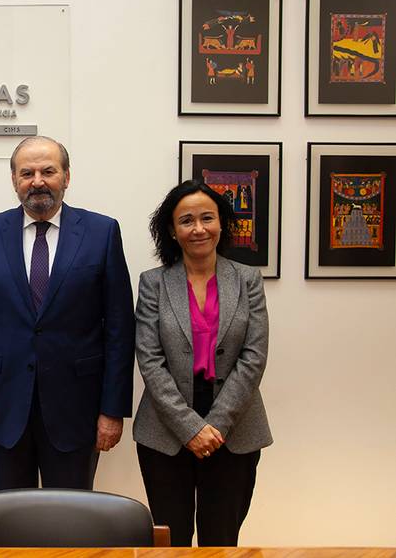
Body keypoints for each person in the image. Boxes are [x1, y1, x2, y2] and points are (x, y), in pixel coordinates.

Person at [0, 135, 135, 491]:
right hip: (3, 405)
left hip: (77, 408)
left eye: (48, 171)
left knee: (70, 523)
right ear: (14, 181)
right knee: (8, 521)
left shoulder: (102, 232)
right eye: (27, 173)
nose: (37, 181)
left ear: (66, 177)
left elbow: (119, 327)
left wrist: (112, 410)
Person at [133, 180, 272, 547]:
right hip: (165, 431)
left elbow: (253, 356)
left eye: (207, 218)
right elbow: (149, 359)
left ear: (222, 223)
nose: (198, 228)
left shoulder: (247, 280)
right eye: (186, 220)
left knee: (222, 539)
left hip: (235, 429)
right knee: (171, 540)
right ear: (172, 231)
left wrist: (217, 424)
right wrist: (190, 428)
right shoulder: (153, 283)